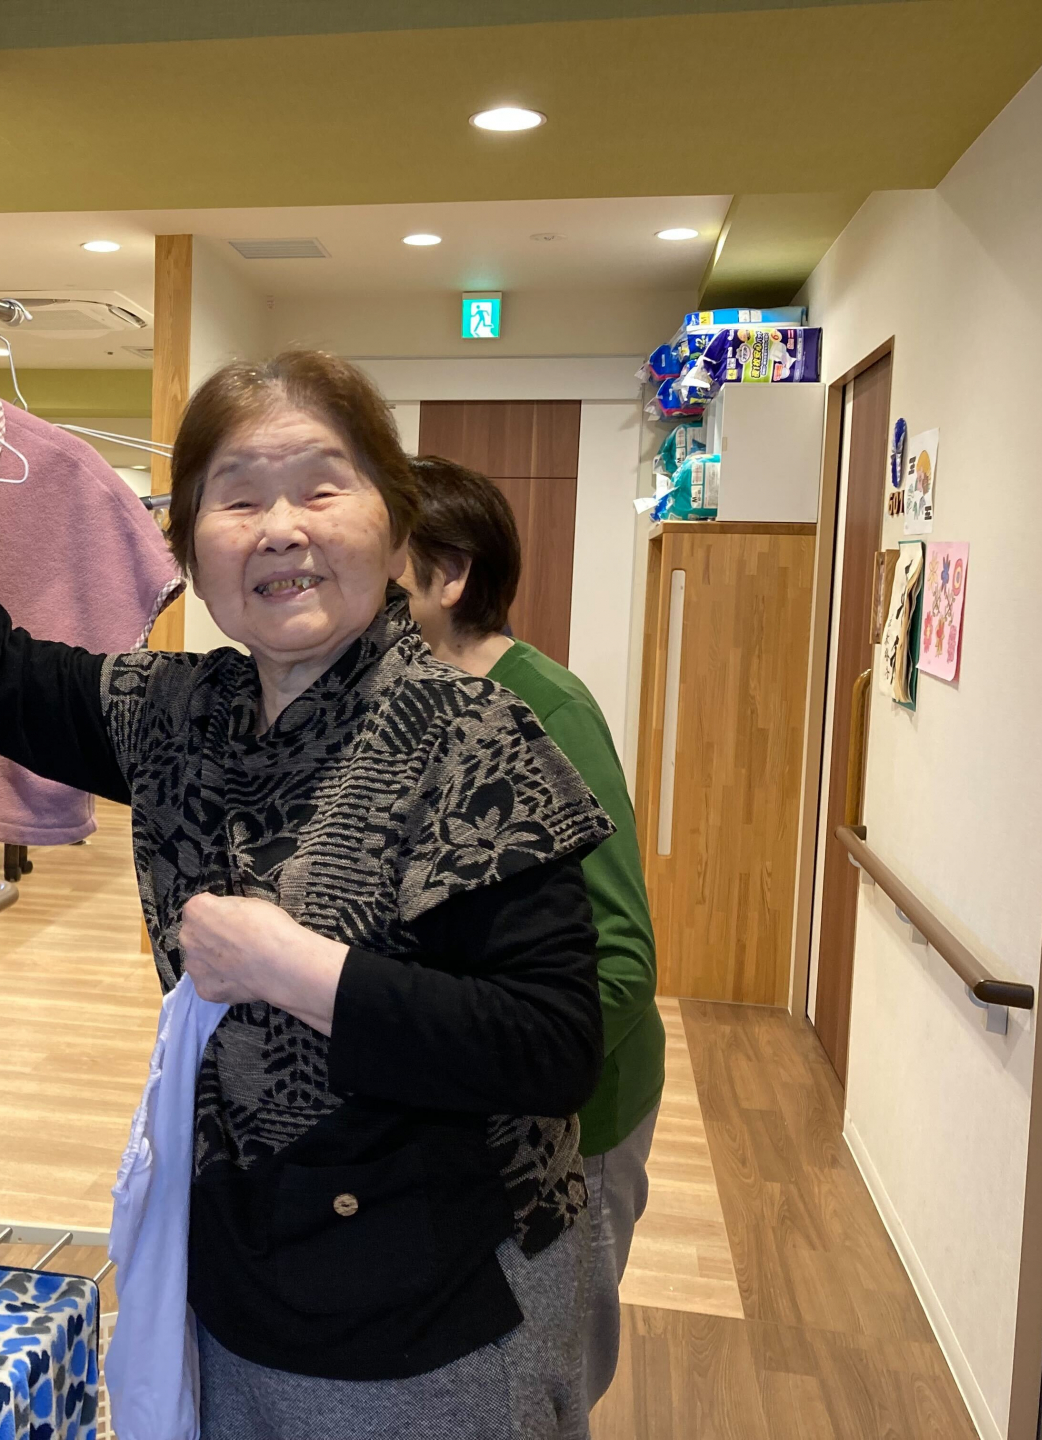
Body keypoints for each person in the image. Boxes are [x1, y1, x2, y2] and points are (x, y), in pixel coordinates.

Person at [0, 351, 614, 1438]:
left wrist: (300, 971)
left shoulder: (476, 738)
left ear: (396, 531)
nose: (280, 528)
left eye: (321, 487)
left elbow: (555, 1045)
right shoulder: (181, 713)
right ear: (193, 554)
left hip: (437, 1310)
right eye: (237, 499)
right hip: (241, 1274)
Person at [399, 455, 665, 1411]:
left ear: (448, 576)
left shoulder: (544, 708)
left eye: (379, 560)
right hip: (484, 1113)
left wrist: (501, 1061)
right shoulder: (417, 702)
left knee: (550, 1378)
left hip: (581, 1116)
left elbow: (622, 959)